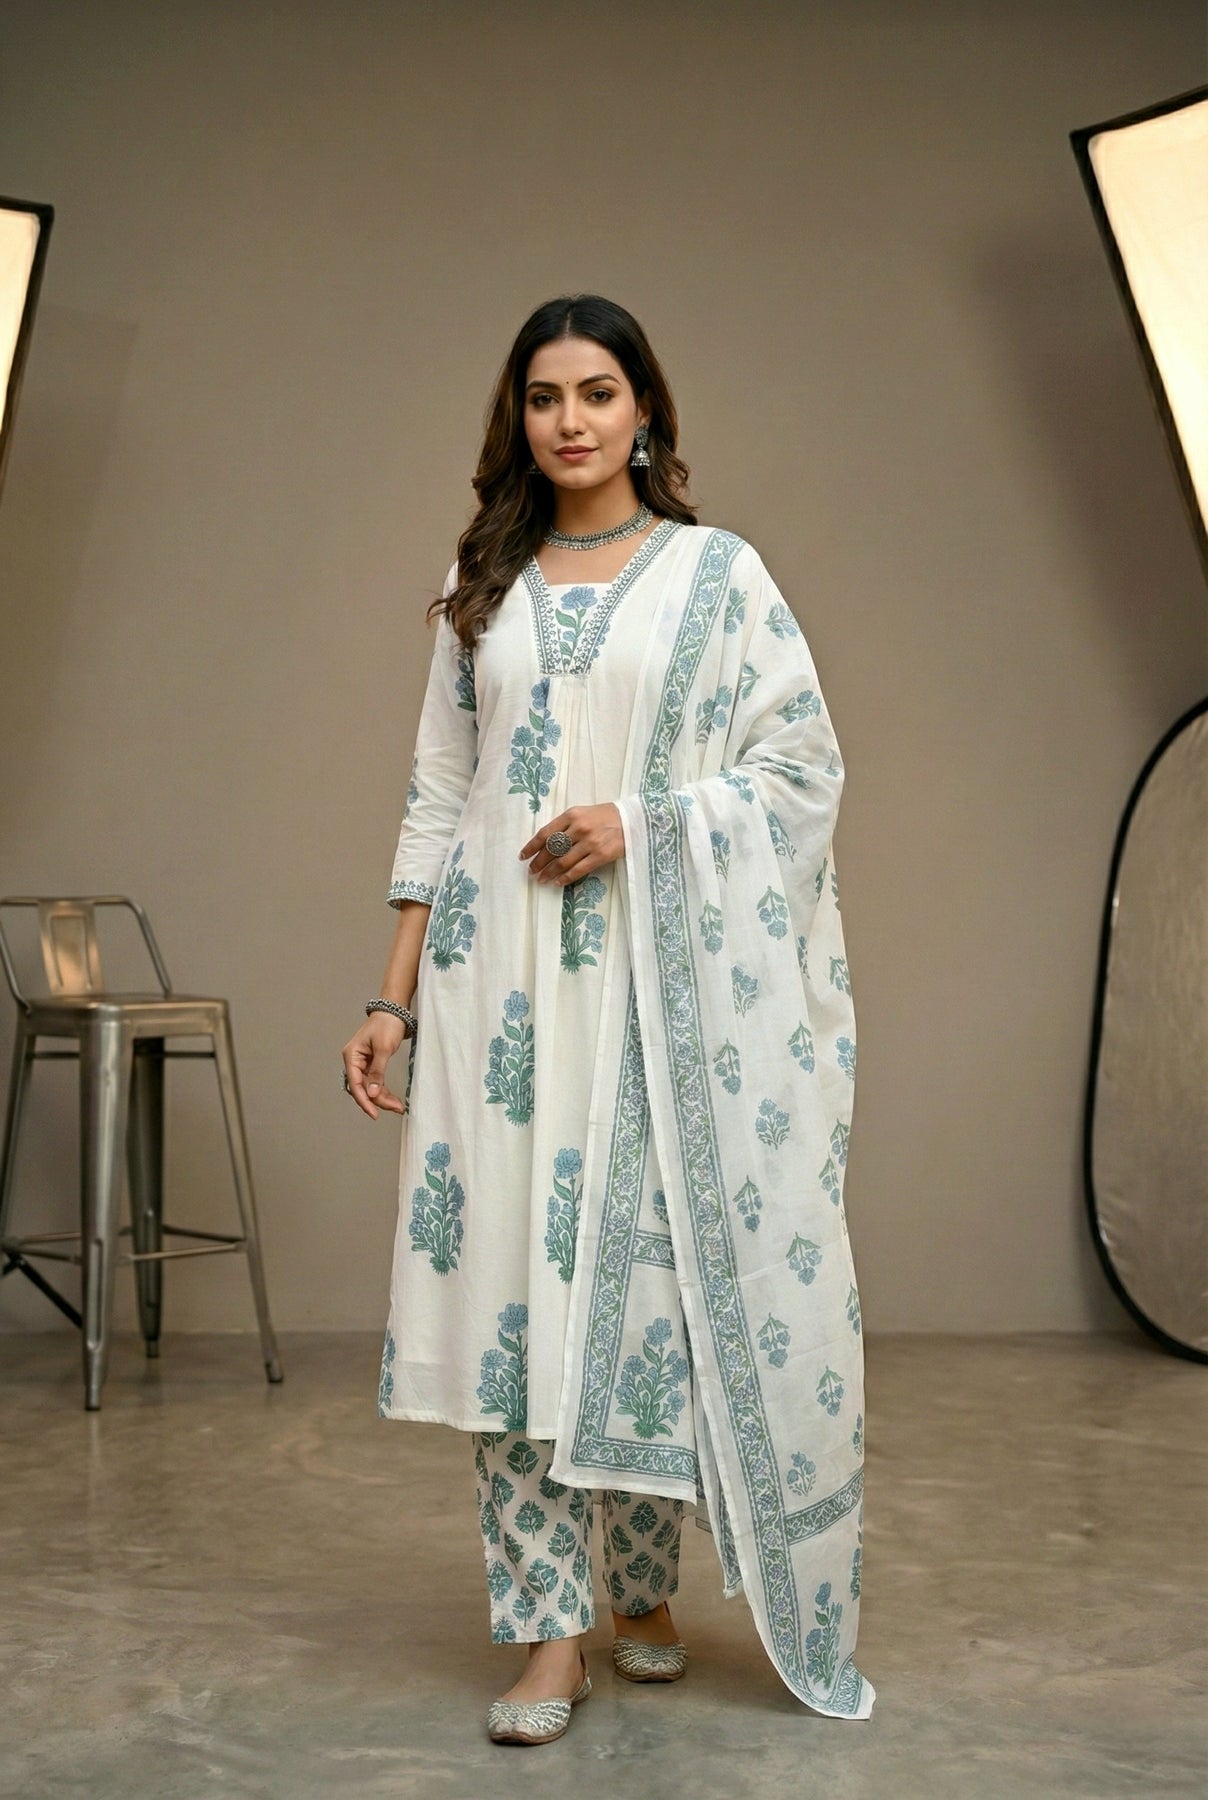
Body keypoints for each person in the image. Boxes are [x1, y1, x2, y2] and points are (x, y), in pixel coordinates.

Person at [341, 294, 875, 1742]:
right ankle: (548, 1636)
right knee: (515, 1291)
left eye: (596, 392)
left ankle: (642, 1592)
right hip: (494, 986)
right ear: (516, 419)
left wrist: (640, 823)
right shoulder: (483, 581)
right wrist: (390, 997)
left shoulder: (717, 576)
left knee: (641, 1284)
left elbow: (802, 768)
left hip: (653, 983)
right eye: (542, 397)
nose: (568, 420)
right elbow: (439, 793)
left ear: (645, 410)